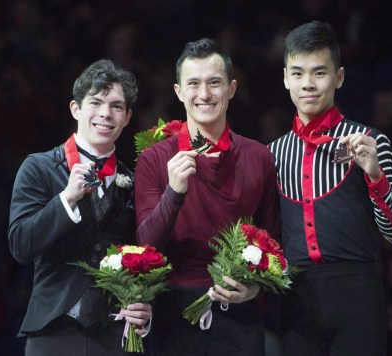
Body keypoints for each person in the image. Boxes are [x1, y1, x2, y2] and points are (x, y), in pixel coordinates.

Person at [268, 21, 392, 355]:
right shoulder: (272, 153)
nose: (308, 84)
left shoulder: (371, 142)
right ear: (286, 77)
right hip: (297, 297)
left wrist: (374, 173)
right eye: (299, 73)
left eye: (319, 73)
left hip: (357, 293)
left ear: (340, 77)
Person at [134, 38, 278, 355]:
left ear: (232, 88)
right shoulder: (155, 159)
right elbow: (146, 245)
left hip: (240, 317)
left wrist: (255, 288)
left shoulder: (259, 157)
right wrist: (174, 192)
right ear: (178, 92)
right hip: (172, 316)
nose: (204, 94)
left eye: (214, 83)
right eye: (194, 84)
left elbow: (274, 243)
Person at [8, 59, 152, 355]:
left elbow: (147, 256)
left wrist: (145, 307)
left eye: (116, 106)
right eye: (96, 102)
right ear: (76, 108)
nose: (105, 114)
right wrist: (66, 199)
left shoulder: (135, 181)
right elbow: (21, 245)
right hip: (53, 331)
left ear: (126, 117)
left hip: (116, 334)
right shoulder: (39, 167)